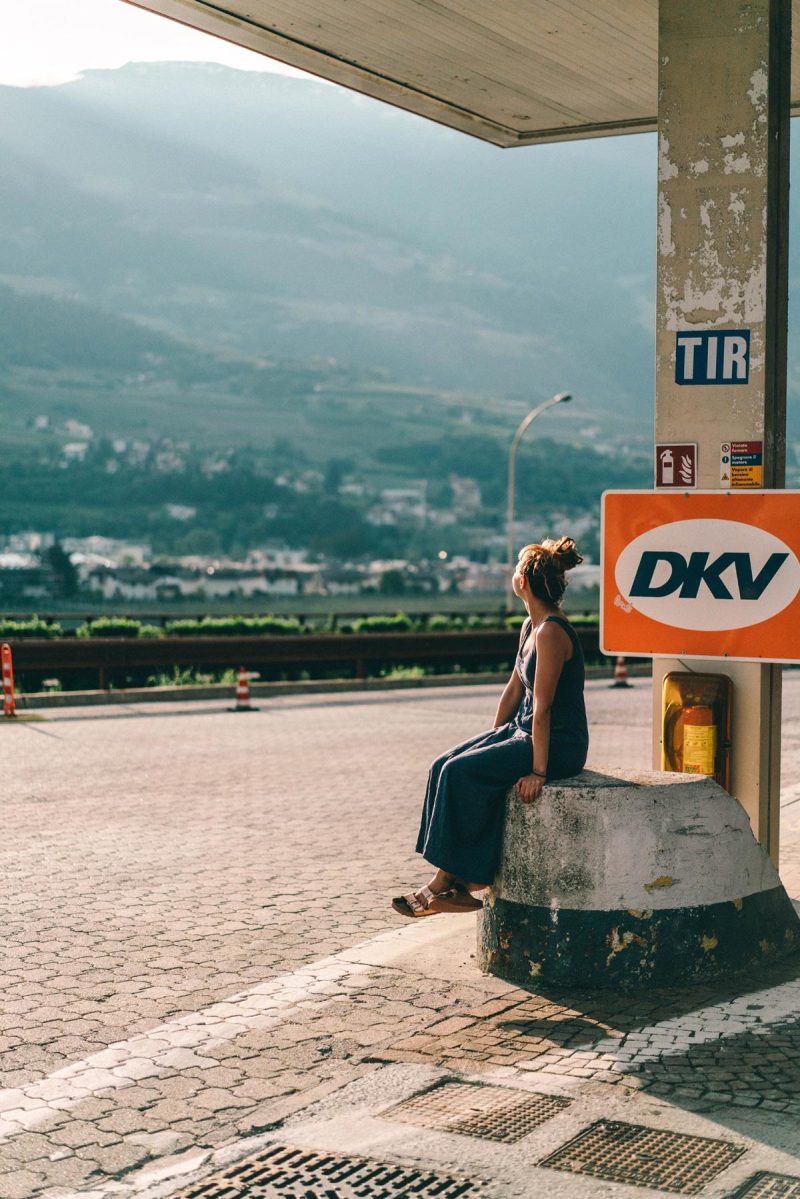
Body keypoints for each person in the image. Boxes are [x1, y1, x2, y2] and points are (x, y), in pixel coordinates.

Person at [392, 536, 589, 918]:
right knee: (443, 764)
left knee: (460, 772)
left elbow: (545, 708)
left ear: (524, 583)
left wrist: (538, 771)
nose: (513, 575)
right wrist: (491, 739)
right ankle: (455, 884)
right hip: (522, 731)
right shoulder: (530, 628)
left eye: (516, 569)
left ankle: (446, 885)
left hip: (556, 743)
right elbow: (513, 690)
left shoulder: (551, 633)